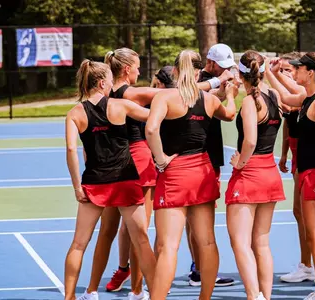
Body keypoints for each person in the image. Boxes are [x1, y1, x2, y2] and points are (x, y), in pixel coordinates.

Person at [145, 49, 237, 300]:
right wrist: (229, 96)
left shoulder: (165, 97)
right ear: (198, 72)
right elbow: (229, 115)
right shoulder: (207, 99)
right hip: (202, 170)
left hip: (175, 173)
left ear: (174, 71)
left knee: (167, 246)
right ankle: (205, 297)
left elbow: (151, 129)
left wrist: (160, 158)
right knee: (207, 242)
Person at [64, 60, 155, 300]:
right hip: (126, 180)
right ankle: (157, 294)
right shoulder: (120, 105)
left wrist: (76, 187)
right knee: (142, 240)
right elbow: (156, 118)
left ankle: (71, 296)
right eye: (111, 82)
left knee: (78, 244)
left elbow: (72, 151)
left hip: (94, 183)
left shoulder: (75, 113)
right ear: (103, 82)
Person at [267, 52, 315, 300]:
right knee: (312, 235)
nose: (294, 71)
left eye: (298, 68)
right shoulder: (306, 99)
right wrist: (270, 72)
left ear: (310, 73)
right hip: (308, 172)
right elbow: (284, 96)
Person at [225, 50, 286, 300]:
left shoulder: (251, 102)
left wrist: (240, 162)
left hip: (250, 174)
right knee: (261, 242)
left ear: (241, 74)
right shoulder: (274, 96)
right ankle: (265, 296)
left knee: (240, 242)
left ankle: (253, 296)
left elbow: (249, 140)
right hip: (270, 172)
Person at [186, 43, 237, 288]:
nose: (225, 71)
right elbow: (197, 96)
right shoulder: (201, 79)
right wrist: (224, 89)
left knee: (198, 216)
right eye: (222, 67)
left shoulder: (215, 79)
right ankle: (201, 269)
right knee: (199, 217)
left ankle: (198, 268)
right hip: (198, 156)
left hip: (210, 155)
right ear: (212, 63)